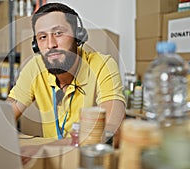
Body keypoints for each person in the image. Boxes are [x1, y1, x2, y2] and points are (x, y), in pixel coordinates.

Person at [7, 2, 125, 145]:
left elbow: (110, 130)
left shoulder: (103, 65)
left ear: (78, 36)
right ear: (35, 45)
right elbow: (4, 115)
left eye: (58, 33)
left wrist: (47, 147)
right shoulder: (35, 67)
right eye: (42, 37)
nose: (51, 45)